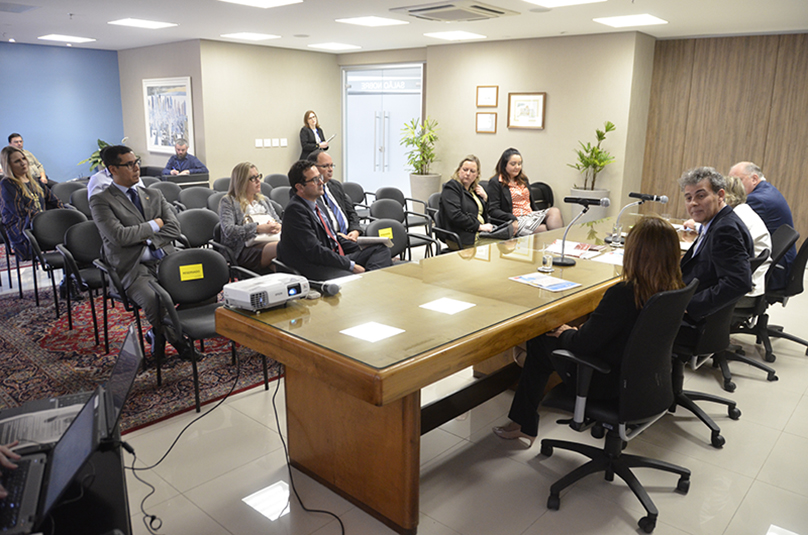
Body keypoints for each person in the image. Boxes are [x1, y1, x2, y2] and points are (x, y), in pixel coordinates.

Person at [493, 215, 685, 446]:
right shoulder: (674, 289)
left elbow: (582, 344)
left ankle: (523, 424)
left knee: (541, 341)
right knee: (559, 338)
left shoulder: (624, 293)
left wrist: (566, 331)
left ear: (634, 253)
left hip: (604, 381)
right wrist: (585, 328)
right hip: (644, 382)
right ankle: (523, 422)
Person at [90, 145, 199, 362]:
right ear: (113, 169)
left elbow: (174, 228)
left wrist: (146, 236)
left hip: (167, 259)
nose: (136, 168)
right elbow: (119, 236)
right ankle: (181, 344)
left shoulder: (153, 194)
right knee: (156, 300)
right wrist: (155, 224)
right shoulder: (101, 200)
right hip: (133, 267)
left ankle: (157, 333)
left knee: (201, 285)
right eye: (129, 164)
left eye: (136, 162)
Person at [277, 160, 392, 281]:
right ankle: (370, 281)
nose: (321, 182)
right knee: (351, 278)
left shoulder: (318, 204)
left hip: (334, 257)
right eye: (315, 180)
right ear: (300, 187)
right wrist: (351, 266)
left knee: (381, 249)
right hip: (315, 265)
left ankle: (369, 281)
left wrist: (358, 247)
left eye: (319, 177)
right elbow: (315, 251)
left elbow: (332, 237)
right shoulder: (295, 210)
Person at [679, 167, 753, 325]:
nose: (693, 203)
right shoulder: (716, 223)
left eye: (701, 195)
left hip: (696, 320)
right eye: (688, 198)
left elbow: (738, 282)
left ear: (720, 195)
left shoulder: (725, 230)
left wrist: (688, 306)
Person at [728, 161, 795, 290]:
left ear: (754, 179)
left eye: (737, 180)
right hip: (780, 263)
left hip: (775, 271)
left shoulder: (757, 200)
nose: (733, 186)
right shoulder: (767, 190)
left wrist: (698, 224)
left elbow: (728, 223)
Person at [0, 145, 64, 260]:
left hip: (44, 224)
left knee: (73, 232)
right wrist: (47, 219)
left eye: (23, 159)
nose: (23, 163)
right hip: (24, 230)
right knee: (63, 235)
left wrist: (66, 214)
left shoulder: (35, 181)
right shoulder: (7, 184)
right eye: (17, 161)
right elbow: (20, 212)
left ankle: (75, 273)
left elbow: (54, 201)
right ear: (9, 166)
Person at [219, 162, 282, 272]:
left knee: (284, 254)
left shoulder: (263, 200)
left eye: (258, 176)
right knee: (281, 248)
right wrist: (257, 229)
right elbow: (229, 231)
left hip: (268, 241)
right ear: (241, 182)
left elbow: (277, 220)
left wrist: (277, 226)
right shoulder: (228, 201)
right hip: (243, 249)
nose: (258, 181)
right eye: (252, 178)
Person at [486, 148, 563, 235]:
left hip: (530, 215)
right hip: (516, 219)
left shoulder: (523, 179)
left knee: (555, 211)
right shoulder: (496, 182)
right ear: (504, 165)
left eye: (519, 164)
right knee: (544, 230)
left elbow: (532, 204)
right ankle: (559, 243)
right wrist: (512, 218)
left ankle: (558, 243)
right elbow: (493, 210)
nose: (517, 167)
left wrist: (541, 218)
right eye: (513, 164)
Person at [438, 155, 498, 249]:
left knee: (507, 242)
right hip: (461, 236)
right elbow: (455, 216)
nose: (468, 173)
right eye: (465, 170)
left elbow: (485, 213)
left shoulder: (474, 190)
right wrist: (479, 226)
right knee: (499, 247)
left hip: (480, 233)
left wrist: (485, 198)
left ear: (477, 174)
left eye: (472, 171)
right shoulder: (451, 187)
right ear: (458, 171)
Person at [308, 149, 362, 242]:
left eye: (331, 165)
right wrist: (335, 235)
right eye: (325, 166)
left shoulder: (335, 185)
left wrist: (355, 230)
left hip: (349, 237)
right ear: (313, 168)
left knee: (381, 248)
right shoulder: (309, 191)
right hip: (330, 240)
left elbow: (351, 212)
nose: (330, 169)